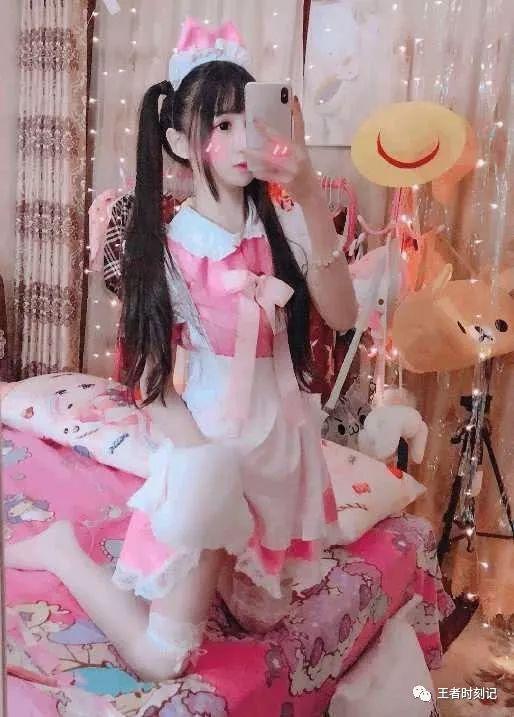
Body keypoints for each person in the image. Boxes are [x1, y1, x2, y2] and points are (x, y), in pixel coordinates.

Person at [5, 18, 357, 682]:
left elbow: (342, 315)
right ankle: (60, 551)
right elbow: (148, 378)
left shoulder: (285, 227)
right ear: (178, 141)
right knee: (163, 659)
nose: (241, 136)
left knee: (260, 618)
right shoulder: (168, 248)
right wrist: (201, 467)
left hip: (277, 453)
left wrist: (311, 193)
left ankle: (222, 561)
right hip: (210, 452)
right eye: (220, 123)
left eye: (249, 118)